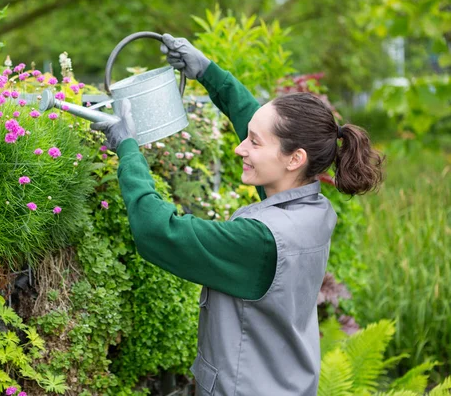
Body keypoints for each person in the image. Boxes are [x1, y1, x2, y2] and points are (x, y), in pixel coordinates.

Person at [91, 33, 384, 396]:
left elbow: (157, 231)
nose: (239, 148)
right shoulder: (312, 206)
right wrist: (208, 71)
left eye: (254, 143)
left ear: (296, 158)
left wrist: (127, 147)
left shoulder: (260, 242)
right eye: (247, 137)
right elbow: (258, 119)